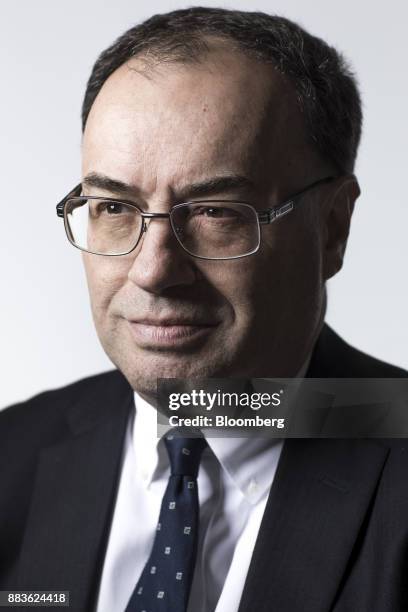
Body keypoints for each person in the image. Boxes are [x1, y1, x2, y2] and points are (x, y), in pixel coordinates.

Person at [1, 7, 407, 612]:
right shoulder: (11, 455)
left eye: (217, 211)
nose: (153, 270)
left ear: (333, 228)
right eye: (114, 208)